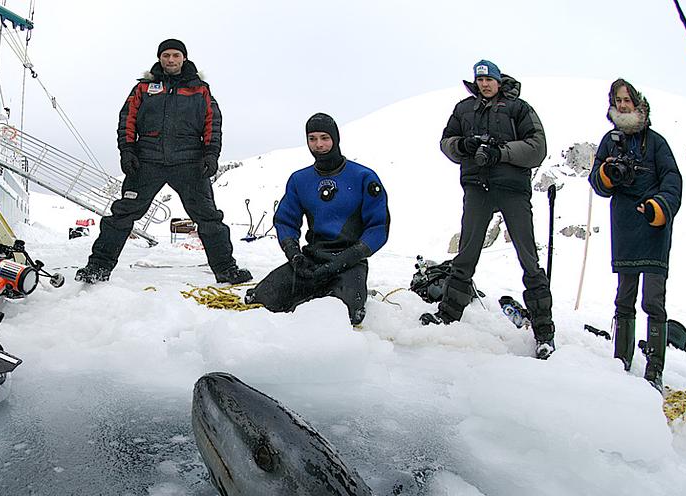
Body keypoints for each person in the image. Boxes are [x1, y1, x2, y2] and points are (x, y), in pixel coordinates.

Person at [75, 39, 251, 285]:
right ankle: (97, 268)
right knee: (122, 215)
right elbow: (127, 119)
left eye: (176, 55)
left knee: (209, 217)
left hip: (189, 162)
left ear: (184, 58)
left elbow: (213, 123)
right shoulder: (144, 88)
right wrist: (127, 151)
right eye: (166, 55)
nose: (171, 60)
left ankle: (226, 270)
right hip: (147, 161)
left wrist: (211, 154)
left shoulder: (200, 89)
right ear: (159, 58)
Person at [422, 59, 556, 360]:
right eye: (480, 80)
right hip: (476, 186)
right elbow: (446, 142)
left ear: (498, 80)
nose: (484, 84)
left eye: (489, 79)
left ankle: (544, 333)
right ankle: (447, 317)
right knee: (466, 254)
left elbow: (537, 148)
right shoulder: (464, 109)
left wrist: (501, 152)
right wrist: (463, 146)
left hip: (512, 189)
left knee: (528, 258)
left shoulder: (519, 108)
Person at [244, 113, 388, 327]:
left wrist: (347, 258)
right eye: (312, 139)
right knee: (260, 300)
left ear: (335, 139)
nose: (319, 144)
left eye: (324, 138)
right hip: (310, 262)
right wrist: (294, 254)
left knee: (345, 317)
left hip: (349, 263)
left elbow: (378, 227)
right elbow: (285, 221)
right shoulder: (300, 180)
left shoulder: (363, 177)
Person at [588, 79, 682, 392]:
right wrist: (606, 174)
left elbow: (673, 180)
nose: (623, 104)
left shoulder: (656, 143)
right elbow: (597, 182)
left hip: (653, 226)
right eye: (618, 100)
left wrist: (660, 207)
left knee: (653, 300)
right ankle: (621, 363)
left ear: (637, 102)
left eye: (627, 99)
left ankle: (654, 371)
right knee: (624, 298)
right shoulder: (609, 141)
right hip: (625, 225)